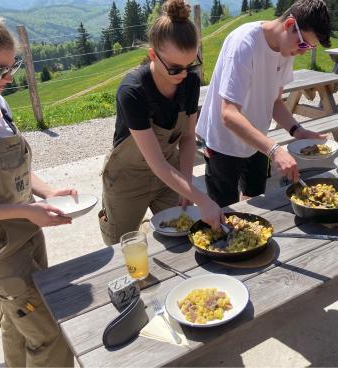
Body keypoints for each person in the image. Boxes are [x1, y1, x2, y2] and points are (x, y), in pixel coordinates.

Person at [0, 6, 74, 367]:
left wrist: (46, 192)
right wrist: (23, 210)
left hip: (26, 232)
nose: (8, 77)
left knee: (19, 323)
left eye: (11, 67)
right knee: (51, 334)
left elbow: (15, 167)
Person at [99, 0, 223, 246]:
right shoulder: (132, 90)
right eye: (176, 68)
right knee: (122, 246)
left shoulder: (189, 82)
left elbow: (188, 137)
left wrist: (186, 183)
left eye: (192, 65)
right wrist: (202, 199)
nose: (185, 75)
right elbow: (154, 162)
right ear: (153, 55)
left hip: (170, 170)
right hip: (127, 179)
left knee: (184, 236)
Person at [196, 0, 331, 208]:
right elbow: (228, 114)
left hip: (258, 141)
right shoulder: (244, 44)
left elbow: (274, 101)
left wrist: (298, 131)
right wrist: (275, 150)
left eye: (310, 47)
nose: (303, 51)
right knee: (224, 211)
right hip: (223, 143)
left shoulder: (287, 49)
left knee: (256, 199)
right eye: (303, 44)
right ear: (289, 25)